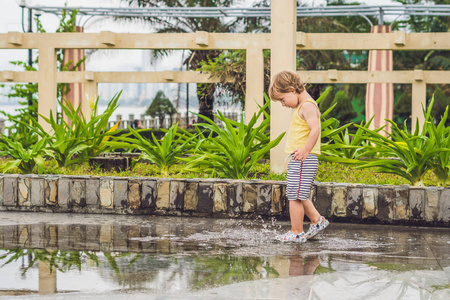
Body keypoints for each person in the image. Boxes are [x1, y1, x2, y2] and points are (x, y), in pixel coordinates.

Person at [269, 70, 329, 243]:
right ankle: (317, 220)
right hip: (301, 158)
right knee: (298, 194)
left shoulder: (308, 106)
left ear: (292, 89)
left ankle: (296, 232)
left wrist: (305, 150)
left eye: (282, 99)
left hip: (304, 158)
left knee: (294, 196)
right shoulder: (302, 106)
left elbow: (315, 129)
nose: (282, 104)